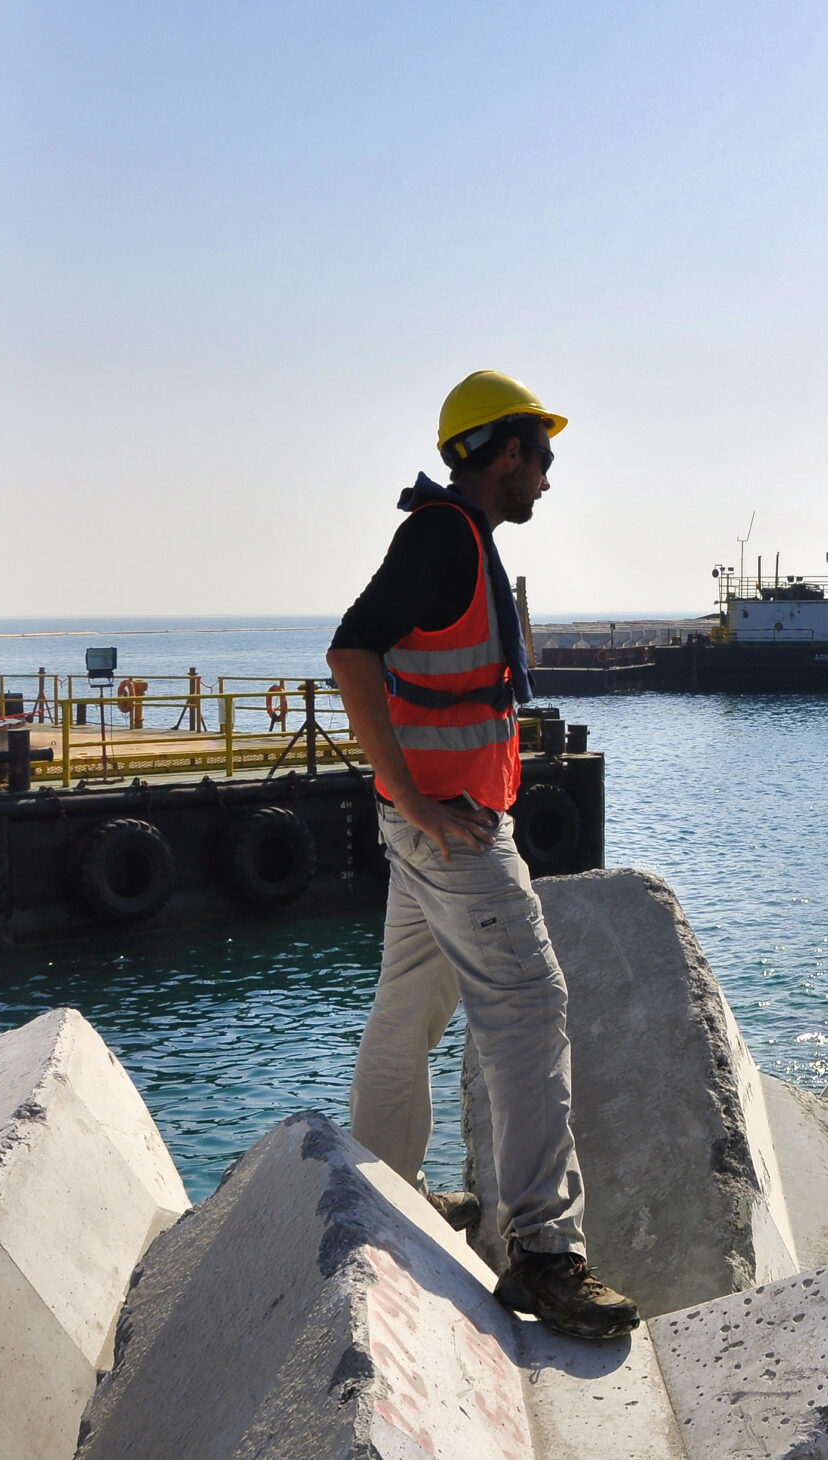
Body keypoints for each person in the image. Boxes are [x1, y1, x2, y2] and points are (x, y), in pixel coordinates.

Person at [326, 369, 638, 1341]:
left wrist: (407, 800)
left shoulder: (458, 539)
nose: (546, 476)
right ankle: (544, 1253)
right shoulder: (442, 537)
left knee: (408, 1005)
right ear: (504, 453)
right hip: (453, 827)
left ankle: (389, 1189)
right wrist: (414, 792)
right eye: (540, 456)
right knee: (529, 1005)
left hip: (433, 822)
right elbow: (350, 652)